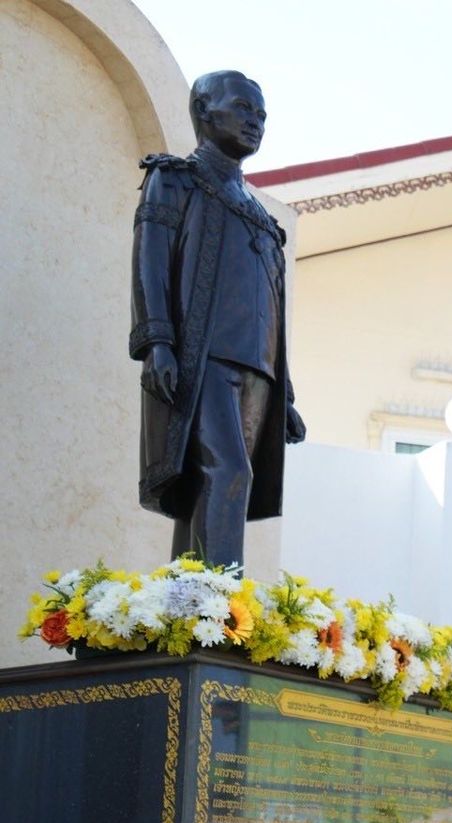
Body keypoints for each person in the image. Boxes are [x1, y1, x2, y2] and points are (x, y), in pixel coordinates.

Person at [132, 69, 306, 568]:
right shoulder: (175, 180)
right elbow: (150, 262)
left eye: (262, 115)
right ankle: (221, 602)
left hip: (259, 367)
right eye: (244, 108)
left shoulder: (264, 219)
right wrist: (157, 343)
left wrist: (285, 396)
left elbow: (274, 309)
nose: (256, 122)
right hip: (202, 355)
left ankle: (188, 599)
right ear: (205, 111)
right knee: (227, 471)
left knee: (215, 482)